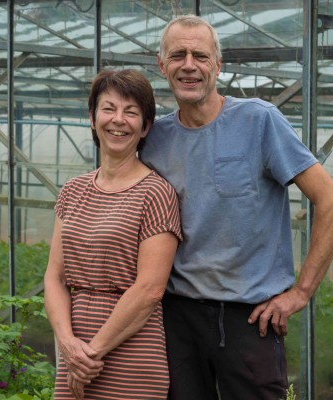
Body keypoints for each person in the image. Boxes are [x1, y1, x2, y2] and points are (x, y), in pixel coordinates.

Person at [139, 14, 333, 400]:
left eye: (201, 55)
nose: (189, 65)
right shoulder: (154, 136)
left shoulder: (259, 121)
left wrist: (302, 292)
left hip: (250, 320)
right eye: (178, 55)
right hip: (177, 317)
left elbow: (328, 198)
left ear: (218, 65)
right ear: (162, 65)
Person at [44, 69, 182, 400]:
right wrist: (67, 344)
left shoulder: (157, 193)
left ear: (145, 126)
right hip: (75, 351)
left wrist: (92, 353)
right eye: (108, 108)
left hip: (130, 353)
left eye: (131, 112)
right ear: (92, 118)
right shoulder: (73, 191)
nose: (118, 120)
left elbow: (149, 289)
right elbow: (54, 278)